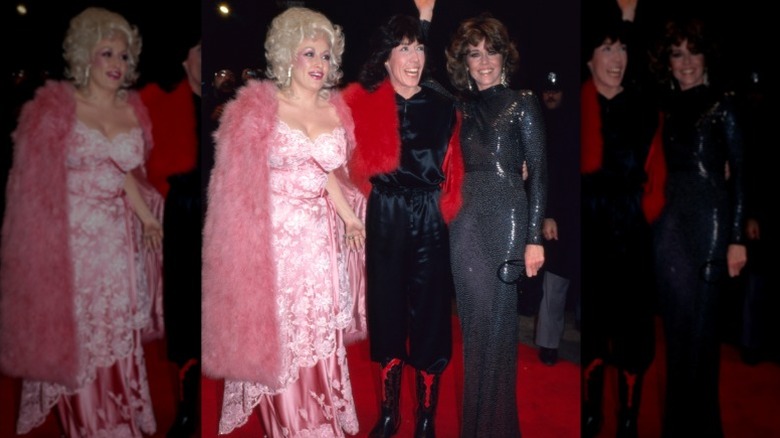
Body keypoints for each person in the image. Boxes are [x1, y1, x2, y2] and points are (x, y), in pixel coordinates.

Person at [201, 7, 367, 437]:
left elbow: (327, 171)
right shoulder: (257, 110)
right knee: (280, 338)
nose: (318, 63)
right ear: (285, 56)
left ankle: (321, 417)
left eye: (326, 56)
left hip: (319, 244)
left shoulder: (336, 110)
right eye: (308, 52)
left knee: (318, 335)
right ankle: (292, 427)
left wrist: (350, 218)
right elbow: (232, 190)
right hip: (273, 244)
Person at [0, 7, 164, 437]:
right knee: (79, 335)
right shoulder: (56, 109)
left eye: (124, 56)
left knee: (115, 331)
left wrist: (147, 218)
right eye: (106, 53)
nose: (116, 64)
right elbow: (31, 188)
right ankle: (90, 425)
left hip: (115, 241)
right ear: (83, 56)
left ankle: (119, 414)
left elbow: (124, 172)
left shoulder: (133, 109)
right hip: (70, 242)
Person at [342, 5, 463, 437]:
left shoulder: (445, 105)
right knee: (388, 312)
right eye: (403, 48)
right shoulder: (364, 102)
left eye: (419, 48)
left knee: (431, 316)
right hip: (387, 213)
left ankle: (426, 415)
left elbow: (468, 159)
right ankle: (391, 412)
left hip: (430, 215)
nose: (413, 58)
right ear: (387, 56)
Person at [443, 13, 547, 437]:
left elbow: (539, 171)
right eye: (473, 53)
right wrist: (427, 21)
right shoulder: (459, 106)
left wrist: (534, 238)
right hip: (465, 222)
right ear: (463, 61)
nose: (483, 61)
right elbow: (413, 82)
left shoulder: (524, 101)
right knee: (473, 327)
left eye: (491, 51)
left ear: (505, 55)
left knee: (500, 328)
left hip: (507, 217)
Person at [649, 16, 747, 437]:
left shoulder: (723, 104)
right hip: (670, 226)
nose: (686, 61)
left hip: (711, 222)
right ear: (667, 62)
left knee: (703, 337)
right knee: (675, 332)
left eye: (693, 52)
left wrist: (738, 238)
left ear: (707, 57)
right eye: (677, 54)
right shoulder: (664, 108)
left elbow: (742, 173)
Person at [580, 1, 659, 436]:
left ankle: (628, 418)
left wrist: (630, 19)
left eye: (621, 50)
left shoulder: (642, 103)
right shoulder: (579, 103)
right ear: (590, 58)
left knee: (632, 333)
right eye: (606, 49)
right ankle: (590, 414)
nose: (616, 59)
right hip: (590, 229)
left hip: (630, 232)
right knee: (593, 328)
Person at [140, 38, 202, 437]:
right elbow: (144, 162)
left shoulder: (223, 103)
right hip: (183, 210)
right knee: (183, 310)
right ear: (184, 59)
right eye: (199, 48)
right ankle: (186, 406)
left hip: (218, 213)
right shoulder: (161, 103)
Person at [533, 71, 580, 367]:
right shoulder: (536, 122)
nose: (551, 95)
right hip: (554, 213)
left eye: (556, 91)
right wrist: (547, 213)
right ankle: (548, 343)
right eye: (547, 91)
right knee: (555, 279)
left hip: (578, 209)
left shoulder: (574, 123)